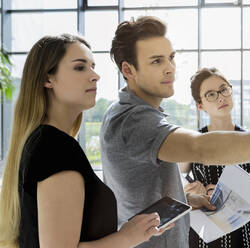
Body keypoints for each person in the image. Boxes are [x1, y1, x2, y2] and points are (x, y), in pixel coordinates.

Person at [100, 16, 250, 248]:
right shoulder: (133, 120)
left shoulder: (129, 113)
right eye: (156, 61)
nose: (170, 68)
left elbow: (146, 191)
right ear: (128, 70)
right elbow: (197, 148)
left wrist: (186, 198)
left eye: (171, 58)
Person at [0, 34, 171, 248]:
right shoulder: (56, 148)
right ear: (47, 79)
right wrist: (128, 237)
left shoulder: (42, 142)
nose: (95, 76)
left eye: (93, 66)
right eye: (80, 67)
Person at [181, 67, 250, 248]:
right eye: (211, 94)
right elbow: (176, 184)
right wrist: (191, 190)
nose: (221, 97)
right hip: (202, 234)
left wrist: (227, 194)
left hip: (242, 234)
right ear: (200, 105)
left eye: (224, 89)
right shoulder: (192, 143)